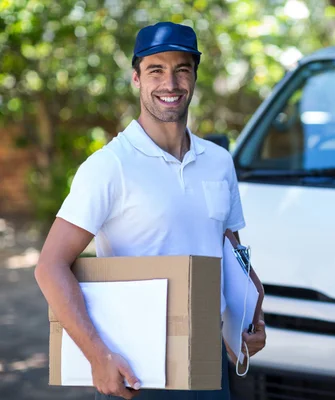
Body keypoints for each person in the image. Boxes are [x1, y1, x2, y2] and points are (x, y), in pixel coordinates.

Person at [34, 21, 266, 400]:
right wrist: (98, 355)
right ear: (136, 79)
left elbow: (228, 249)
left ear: (193, 77)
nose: (170, 84)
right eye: (155, 70)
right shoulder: (111, 165)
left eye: (181, 70)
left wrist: (250, 312)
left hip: (209, 364)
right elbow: (50, 266)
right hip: (137, 370)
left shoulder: (219, 161)